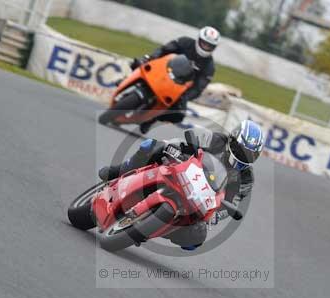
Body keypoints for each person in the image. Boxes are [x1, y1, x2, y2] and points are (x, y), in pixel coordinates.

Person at [98, 120, 264, 250]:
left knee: (196, 238)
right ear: (232, 140)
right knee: (152, 145)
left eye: (250, 155)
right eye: (241, 149)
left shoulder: (246, 178)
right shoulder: (217, 140)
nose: (244, 155)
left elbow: (231, 203)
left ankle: (152, 227)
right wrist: (180, 150)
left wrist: (215, 216)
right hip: (182, 172)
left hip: (199, 201)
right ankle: (119, 171)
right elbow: (188, 142)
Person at [130, 26, 220, 134]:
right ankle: (125, 82)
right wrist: (151, 57)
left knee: (178, 114)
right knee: (138, 64)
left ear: (213, 48)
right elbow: (164, 49)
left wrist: (184, 96)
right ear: (199, 40)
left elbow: (198, 88)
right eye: (204, 43)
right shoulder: (184, 42)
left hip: (178, 88)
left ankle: (152, 119)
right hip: (162, 70)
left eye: (209, 45)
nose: (206, 46)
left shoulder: (209, 66)